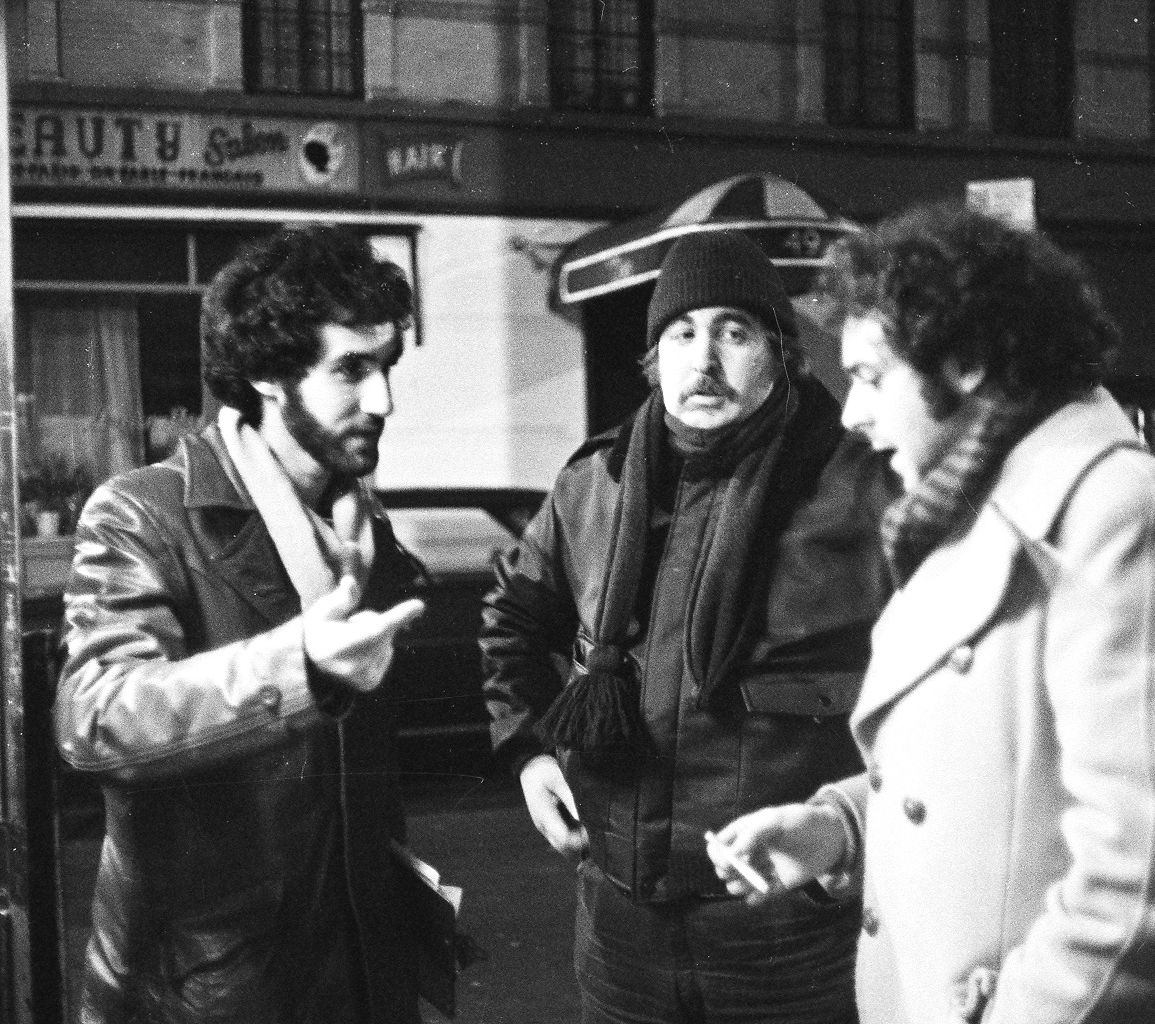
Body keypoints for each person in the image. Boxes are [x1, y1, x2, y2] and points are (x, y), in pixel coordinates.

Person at [707, 203, 1155, 1024]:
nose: (851, 414)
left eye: (869, 375)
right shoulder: (964, 509)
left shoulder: (1119, 513)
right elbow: (993, 776)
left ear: (962, 361)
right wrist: (839, 829)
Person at [480, 230, 897, 1023]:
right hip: (619, 931)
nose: (702, 360)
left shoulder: (861, 491)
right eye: (681, 334)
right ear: (655, 358)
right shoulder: (593, 483)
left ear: (782, 356)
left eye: (734, 333)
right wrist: (529, 752)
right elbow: (511, 618)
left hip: (788, 936)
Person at [55, 225, 428, 1024]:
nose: (383, 401)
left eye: (387, 367)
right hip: (210, 988)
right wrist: (299, 667)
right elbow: (96, 713)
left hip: (358, 967)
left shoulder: (364, 524)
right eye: (351, 370)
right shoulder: (147, 511)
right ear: (265, 373)